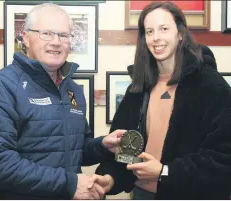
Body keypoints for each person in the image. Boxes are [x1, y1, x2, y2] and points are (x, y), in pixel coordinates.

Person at [89, 1, 231, 199]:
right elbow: (125, 149)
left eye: (164, 29)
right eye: (149, 31)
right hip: (141, 194)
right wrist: (110, 178)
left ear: (180, 34)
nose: (156, 38)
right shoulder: (137, 88)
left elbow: (223, 158)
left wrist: (166, 171)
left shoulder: (211, 86)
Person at [0, 3, 125, 200]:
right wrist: (69, 184)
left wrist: (102, 145)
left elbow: (76, 148)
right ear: (26, 38)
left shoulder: (73, 90)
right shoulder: (1, 86)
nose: (56, 42)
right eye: (46, 33)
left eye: (63, 35)